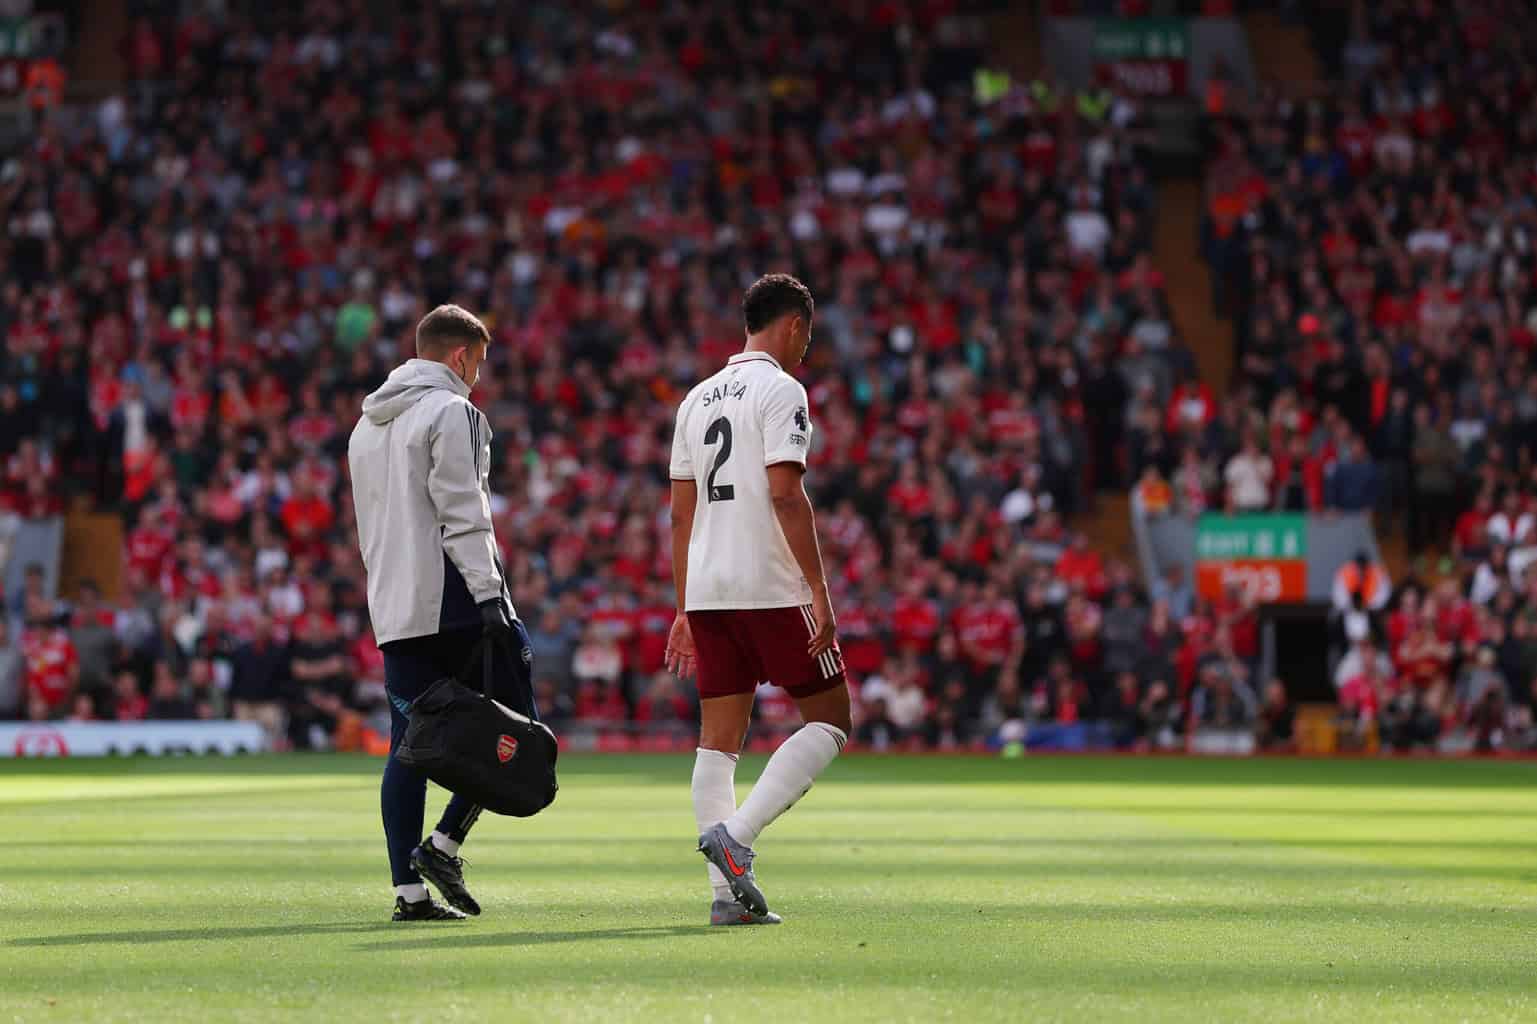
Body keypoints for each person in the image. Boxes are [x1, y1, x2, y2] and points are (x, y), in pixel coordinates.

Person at [666, 274, 849, 927]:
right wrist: (819, 589)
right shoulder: (781, 389)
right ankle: (737, 837)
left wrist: (683, 607)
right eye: (808, 335)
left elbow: (679, 515)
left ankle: (725, 897)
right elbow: (784, 494)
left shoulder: (694, 400)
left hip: (708, 589)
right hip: (768, 582)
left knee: (717, 741)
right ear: (794, 325)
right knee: (831, 718)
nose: (806, 348)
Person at [348, 304, 535, 923]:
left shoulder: (366, 425)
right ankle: (445, 843)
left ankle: (409, 893)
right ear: (460, 356)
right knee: (519, 728)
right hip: (454, 598)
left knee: (408, 745)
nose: (477, 375)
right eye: (477, 362)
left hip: (394, 605)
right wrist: (491, 596)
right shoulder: (455, 412)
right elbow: (464, 512)